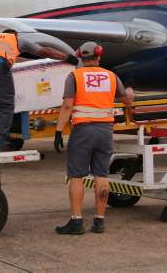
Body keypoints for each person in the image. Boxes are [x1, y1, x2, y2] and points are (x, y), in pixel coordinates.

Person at [53, 42, 134, 235]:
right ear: (99, 56)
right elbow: (127, 100)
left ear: (81, 57)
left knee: (76, 176)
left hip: (82, 131)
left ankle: (77, 221)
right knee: (101, 176)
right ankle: (99, 221)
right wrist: (130, 91)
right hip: (105, 131)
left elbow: (67, 106)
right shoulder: (111, 76)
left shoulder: (74, 76)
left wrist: (58, 130)